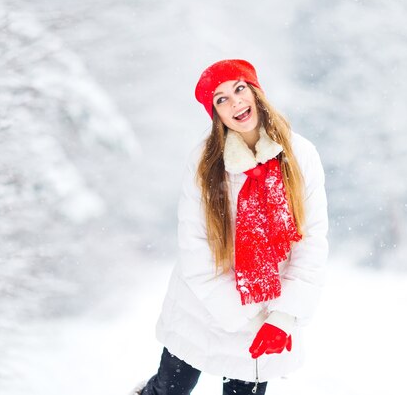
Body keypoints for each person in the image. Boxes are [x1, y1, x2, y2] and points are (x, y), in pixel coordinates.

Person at [130, 59, 329, 395]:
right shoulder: (205, 164)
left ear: (255, 92)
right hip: (203, 307)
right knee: (169, 390)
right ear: (216, 114)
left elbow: (310, 243)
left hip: (269, 308)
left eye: (239, 89)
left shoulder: (300, 155)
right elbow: (196, 251)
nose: (235, 102)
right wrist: (247, 319)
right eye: (221, 99)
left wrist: (281, 319)